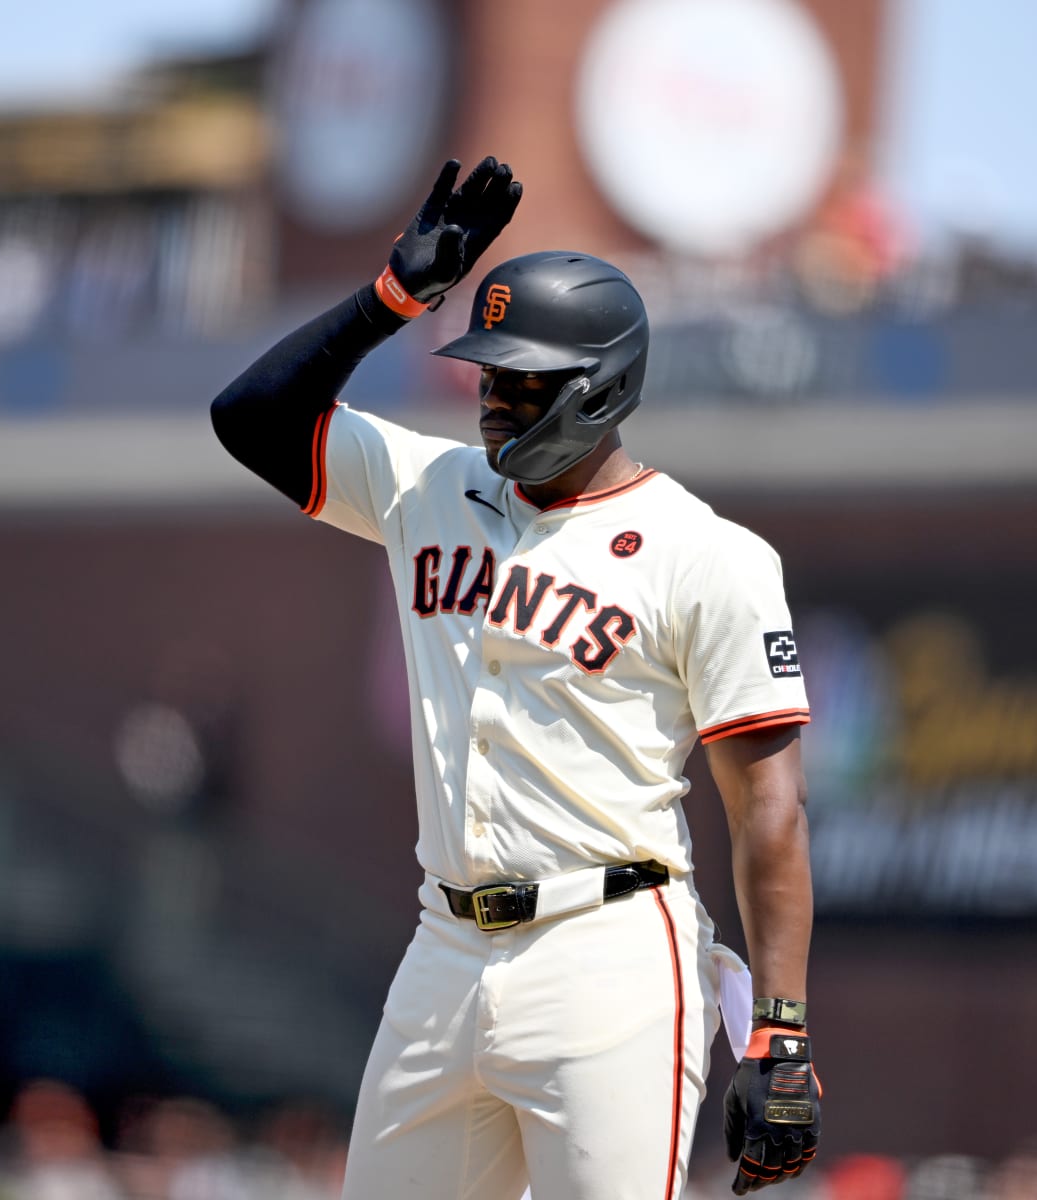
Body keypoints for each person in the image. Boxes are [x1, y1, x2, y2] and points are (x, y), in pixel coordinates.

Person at [210, 157, 821, 1199]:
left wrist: (780, 1033)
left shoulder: (706, 554)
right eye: (490, 371)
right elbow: (251, 417)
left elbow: (769, 806)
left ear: (603, 384)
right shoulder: (431, 487)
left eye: (525, 377)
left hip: (610, 949)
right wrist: (389, 301)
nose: (495, 398)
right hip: (442, 947)